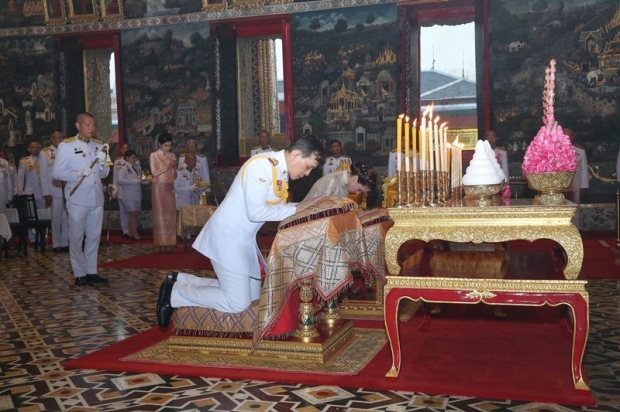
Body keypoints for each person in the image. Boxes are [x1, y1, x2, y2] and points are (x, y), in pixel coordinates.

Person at [156, 135, 324, 328]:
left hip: (243, 241)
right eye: (308, 166)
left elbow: (275, 209)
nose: (308, 173)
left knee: (251, 295)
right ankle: (175, 294)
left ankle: (180, 280)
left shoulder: (278, 170)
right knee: (238, 303)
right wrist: (298, 208)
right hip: (227, 237)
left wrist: (301, 208)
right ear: (296, 155)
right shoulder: (261, 165)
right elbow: (256, 212)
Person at [52, 113, 110, 286]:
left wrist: (102, 162)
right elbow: (56, 173)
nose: (91, 128)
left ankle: (91, 271)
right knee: (76, 236)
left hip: (96, 197)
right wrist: (77, 173)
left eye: (93, 125)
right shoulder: (67, 146)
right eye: (87, 125)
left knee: (93, 236)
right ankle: (79, 272)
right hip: (77, 198)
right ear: (78, 126)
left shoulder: (98, 145)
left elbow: (105, 173)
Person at [39, 131, 69, 253]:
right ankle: (56, 243)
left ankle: (65, 242)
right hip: (53, 190)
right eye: (58, 138)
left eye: (62, 138)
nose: (61, 140)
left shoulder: (66, 151)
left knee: (66, 217)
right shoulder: (45, 153)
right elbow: (42, 175)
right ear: (52, 139)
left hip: (66, 189)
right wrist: (46, 193)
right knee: (56, 217)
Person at [150, 132, 177, 253]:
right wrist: (168, 166)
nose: (168, 148)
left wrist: (174, 167)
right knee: (160, 214)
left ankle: (170, 241)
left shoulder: (172, 155)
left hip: (169, 186)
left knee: (170, 214)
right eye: (165, 145)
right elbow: (154, 172)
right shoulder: (154, 155)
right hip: (159, 187)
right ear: (160, 144)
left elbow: (174, 175)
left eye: (169, 145)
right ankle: (162, 242)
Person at [116, 149, 148, 240]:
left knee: (135, 213)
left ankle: (130, 233)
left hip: (136, 194)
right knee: (132, 212)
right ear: (127, 158)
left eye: (135, 157)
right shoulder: (123, 167)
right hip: (126, 194)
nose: (134, 159)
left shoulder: (138, 167)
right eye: (132, 157)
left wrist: (145, 181)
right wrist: (133, 181)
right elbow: (120, 180)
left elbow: (140, 179)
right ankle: (135, 233)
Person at [305, 161, 377, 199]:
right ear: (354, 180)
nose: (358, 193)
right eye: (359, 190)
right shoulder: (331, 182)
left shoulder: (346, 185)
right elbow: (322, 213)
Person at [112, 142, 135, 238]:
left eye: (127, 148)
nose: (125, 150)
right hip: (121, 189)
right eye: (123, 148)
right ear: (121, 150)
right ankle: (125, 230)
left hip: (133, 190)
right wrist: (114, 190)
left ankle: (132, 230)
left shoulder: (135, 161)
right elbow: (115, 177)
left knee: (133, 211)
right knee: (123, 211)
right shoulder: (118, 162)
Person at [17, 140, 44, 209]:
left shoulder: (44, 160)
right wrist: (20, 193)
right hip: (30, 192)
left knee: (44, 215)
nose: (35, 149)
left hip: (43, 192)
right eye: (33, 147)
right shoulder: (25, 161)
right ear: (29, 149)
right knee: (32, 214)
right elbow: (20, 178)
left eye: (37, 147)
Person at [564, 128, 589, 204]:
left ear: (573, 137)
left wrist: (583, 186)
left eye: (568, 137)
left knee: (575, 210)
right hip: (560, 188)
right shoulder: (554, 152)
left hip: (575, 186)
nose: (566, 139)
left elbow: (584, 170)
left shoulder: (580, 152)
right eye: (564, 136)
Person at [0, 150, 13, 215]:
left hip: (2, 195)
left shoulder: (5, 162)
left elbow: (9, 181)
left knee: (2, 218)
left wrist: (10, 196)